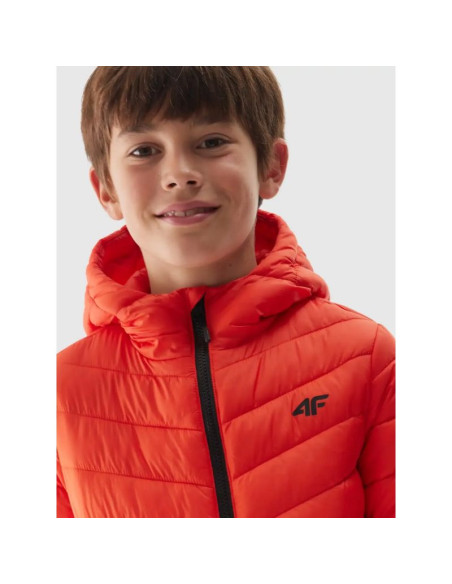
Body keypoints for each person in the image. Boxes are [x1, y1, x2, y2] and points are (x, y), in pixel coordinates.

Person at [57, 66, 395, 518]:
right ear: (106, 190)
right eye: (144, 150)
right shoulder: (60, 393)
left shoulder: (365, 358)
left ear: (271, 166)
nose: (179, 174)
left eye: (212, 142)